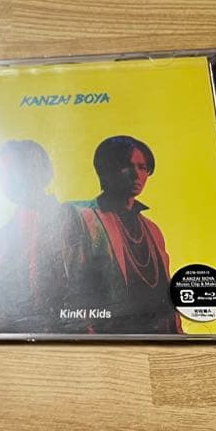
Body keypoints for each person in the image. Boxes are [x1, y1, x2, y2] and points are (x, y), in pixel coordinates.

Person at [71, 135, 180, 334]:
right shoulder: (84, 218)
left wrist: (178, 335)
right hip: (108, 337)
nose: (137, 174)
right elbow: (72, 286)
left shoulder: (153, 229)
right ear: (106, 169)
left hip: (158, 337)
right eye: (127, 166)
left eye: (143, 167)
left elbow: (167, 292)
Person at [0, 140, 89, 333]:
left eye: (11, 171)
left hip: (66, 333)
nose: (6, 180)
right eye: (3, 173)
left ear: (37, 170)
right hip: (15, 335)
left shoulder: (75, 217)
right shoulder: (3, 234)